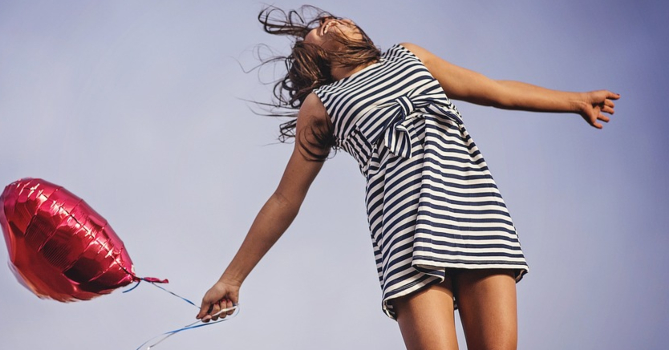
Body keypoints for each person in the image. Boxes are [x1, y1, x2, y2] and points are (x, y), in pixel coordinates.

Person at [196, 6, 619, 350]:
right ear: (317, 57)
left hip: (475, 211)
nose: (334, 21)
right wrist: (231, 278)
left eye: (334, 17)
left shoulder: (408, 56)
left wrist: (575, 100)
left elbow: (495, 90)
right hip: (405, 236)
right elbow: (285, 200)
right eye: (323, 28)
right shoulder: (320, 104)